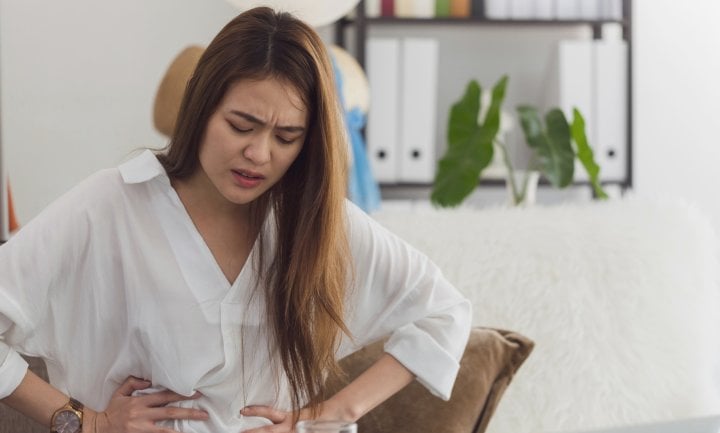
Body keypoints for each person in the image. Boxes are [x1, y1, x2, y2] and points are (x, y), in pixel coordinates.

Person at [0, 7, 471, 433]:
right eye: (241, 126)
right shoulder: (113, 205)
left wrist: (338, 410)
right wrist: (84, 422)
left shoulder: (316, 220)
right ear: (202, 109)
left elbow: (444, 312)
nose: (258, 154)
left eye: (287, 137)